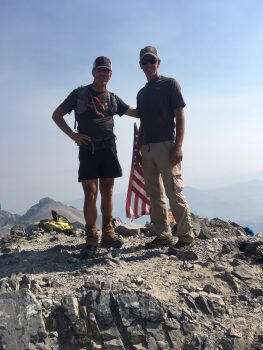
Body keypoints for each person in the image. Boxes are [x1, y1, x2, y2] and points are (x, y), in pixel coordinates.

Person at [52, 56, 136, 252]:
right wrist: (73, 135)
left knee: (107, 190)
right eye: (100, 70)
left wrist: (155, 107)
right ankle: (91, 236)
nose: (103, 73)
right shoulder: (79, 94)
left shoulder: (112, 98)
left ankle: (108, 232)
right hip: (88, 149)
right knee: (90, 192)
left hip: (108, 147)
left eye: (107, 71)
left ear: (111, 75)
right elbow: (57, 114)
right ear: (93, 72)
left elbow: (133, 111)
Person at [136, 46, 195, 251]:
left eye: (152, 61)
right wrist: (139, 148)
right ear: (140, 65)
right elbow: (143, 122)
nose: (149, 65)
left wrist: (178, 145)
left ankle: (186, 237)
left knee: (174, 192)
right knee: (154, 194)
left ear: (158, 63)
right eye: (145, 62)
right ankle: (163, 235)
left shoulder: (170, 84)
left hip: (167, 145)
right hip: (147, 147)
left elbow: (180, 116)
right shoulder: (141, 93)